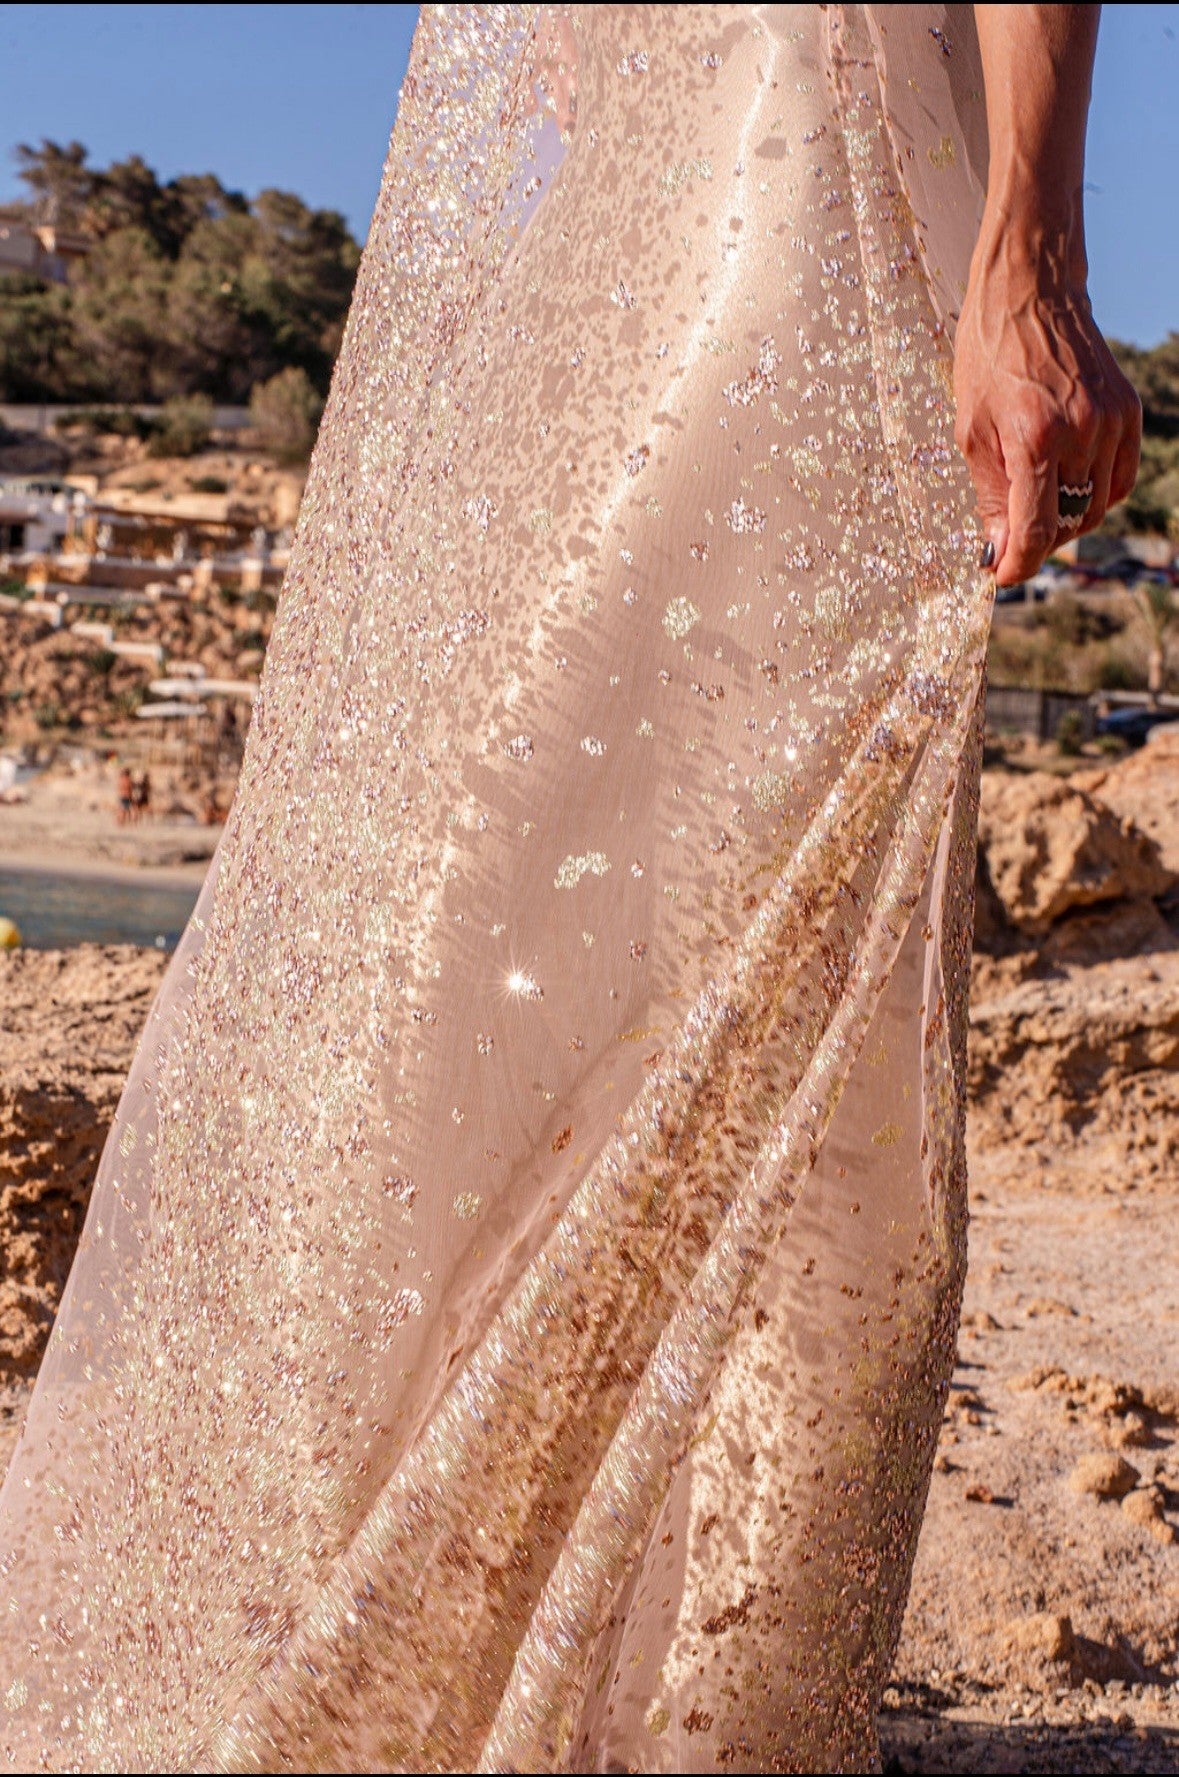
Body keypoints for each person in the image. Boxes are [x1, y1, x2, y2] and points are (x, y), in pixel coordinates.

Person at [0, 7, 1139, 1771]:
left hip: (811, 132)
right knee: (481, 883)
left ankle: (690, 1684)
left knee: (758, 881)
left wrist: (1030, 255)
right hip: (621, 168)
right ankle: (408, 1612)